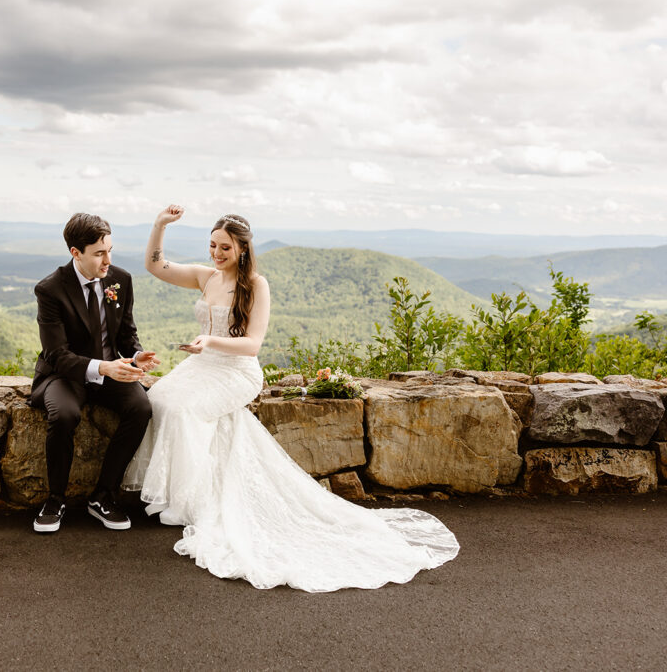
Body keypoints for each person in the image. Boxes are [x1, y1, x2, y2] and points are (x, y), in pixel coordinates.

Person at [123, 204, 460, 591]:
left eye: (225, 248)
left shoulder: (256, 285)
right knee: (161, 396)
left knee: (184, 409)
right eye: (212, 245)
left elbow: (251, 346)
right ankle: (187, 489)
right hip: (203, 366)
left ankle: (190, 502)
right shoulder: (206, 277)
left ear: (243, 250)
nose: (216, 254)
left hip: (236, 371)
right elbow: (155, 265)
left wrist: (210, 341)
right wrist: (159, 225)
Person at [29, 212, 159, 533]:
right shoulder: (50, 290)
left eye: (110, 250)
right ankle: (55, 498)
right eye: (99, 253)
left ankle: (103, 495)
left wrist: (135, 356)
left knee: (141, 407)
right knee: (64, 415)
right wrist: (101, 367)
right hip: (65, 375)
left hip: (111, 370)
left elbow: (127, 335)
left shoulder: (120, 280)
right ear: (76, 253)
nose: (107, 260)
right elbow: (56, 354)